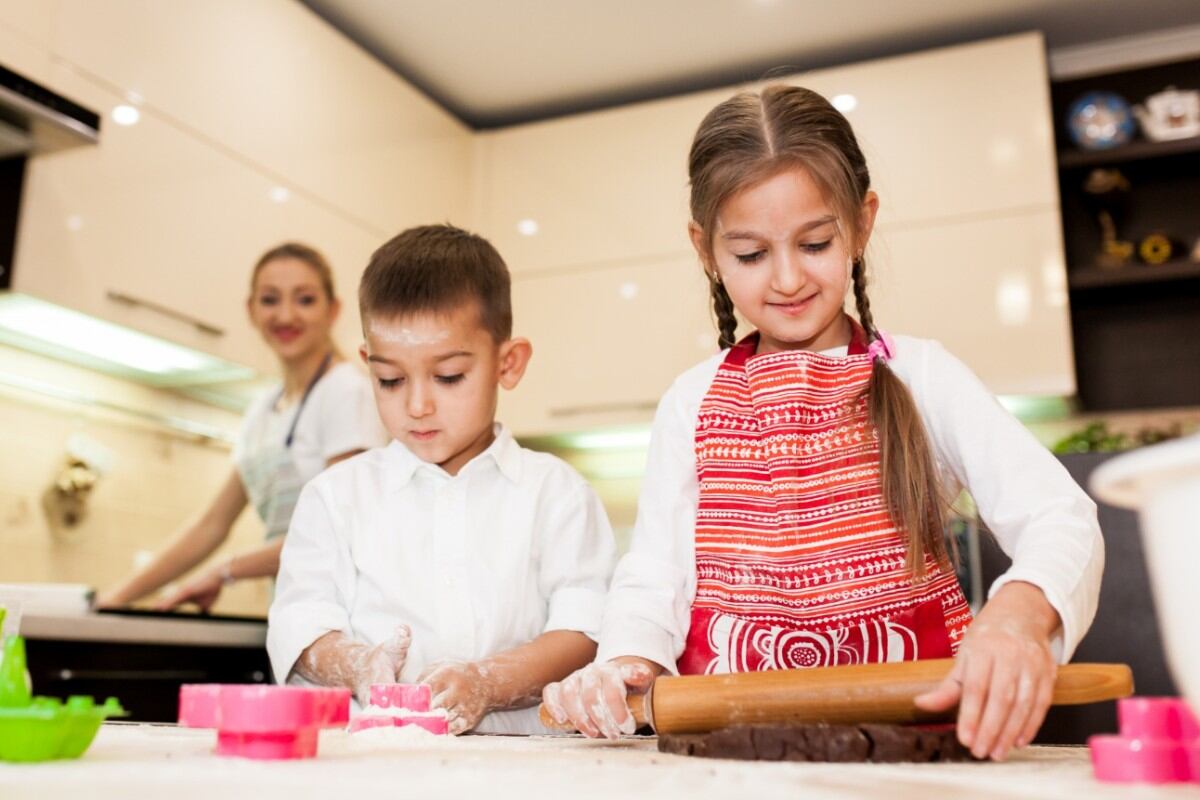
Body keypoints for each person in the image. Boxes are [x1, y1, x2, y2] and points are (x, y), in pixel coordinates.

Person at [542, 85, 1104, 762]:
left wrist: (1017, 618)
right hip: (729, 755)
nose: (785, 280)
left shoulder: (923, 376)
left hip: (916, 750)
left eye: (814, 243)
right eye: (750, 255)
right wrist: (630, 658)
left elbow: (1060, 518)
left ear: (861, 224)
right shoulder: (689, 401)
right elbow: (655, 573)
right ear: (705, 250)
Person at [267, 224, 615, 735]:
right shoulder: (336, 497)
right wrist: (357, 662)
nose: (417, 405)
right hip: (372, 775)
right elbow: (303, 623)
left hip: (524, 774)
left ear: (508, 362)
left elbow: (584, 628)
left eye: (448, 376)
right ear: (368, 366)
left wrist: (489, 682)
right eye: (390, 380)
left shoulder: (556, 494)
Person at [96, 243, 387, 611]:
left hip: (347, 616)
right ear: (250, 310)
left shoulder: (347, 391)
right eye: (269, 300)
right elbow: (211, 526)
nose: (285, 315)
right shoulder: (263, 409)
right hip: (292, 612)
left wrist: (226, 570)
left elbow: (338, 532)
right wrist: (115, 599)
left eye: (305, 299)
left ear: (333, 310)